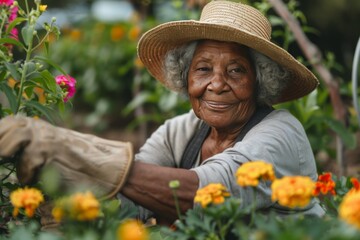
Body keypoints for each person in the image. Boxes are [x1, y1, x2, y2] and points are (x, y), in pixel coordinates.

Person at [0, 0, 325, 226]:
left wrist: (77, 150)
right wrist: (66, 196)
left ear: (260, 81)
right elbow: (133, 199)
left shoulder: (280, 133)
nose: (217, 84)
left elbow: (207, 193)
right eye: (203, 69)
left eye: (236, 71)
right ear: (185, 78)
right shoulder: (181, 131)